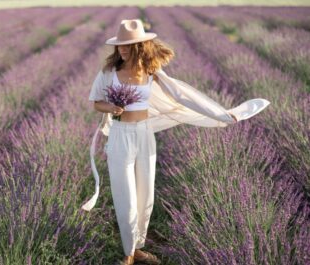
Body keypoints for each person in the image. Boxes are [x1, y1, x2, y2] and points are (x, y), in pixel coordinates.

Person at [83, 19, 270, 265]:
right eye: (120, 45)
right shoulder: (108, 73)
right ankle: (128, 253)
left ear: (140, 45)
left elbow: (183, 95)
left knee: (145, 194)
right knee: (125, 195)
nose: (123, 49)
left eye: (128, 45)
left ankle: (139, 246)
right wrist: (112, 107)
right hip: (120, 135)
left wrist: (224, 115)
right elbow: (96, 102)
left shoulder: (151, 72)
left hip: (144, 134)